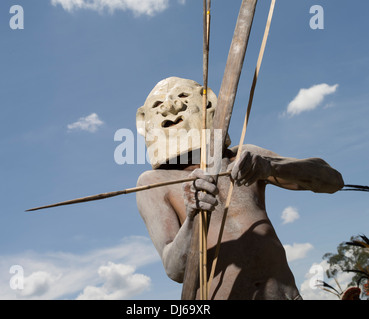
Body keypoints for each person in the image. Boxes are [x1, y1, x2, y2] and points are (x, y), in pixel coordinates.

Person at [135, 77, 344, 300]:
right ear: (144, 122)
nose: (170, 107)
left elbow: (333, 180)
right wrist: (193, 217)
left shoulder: (243, 156)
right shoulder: (154, 182)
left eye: (183, 97)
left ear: (208, 104)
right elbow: (174, 269)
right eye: (158, 106)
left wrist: (269, 167)